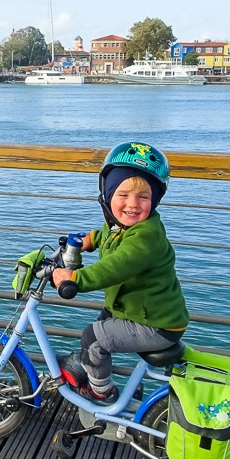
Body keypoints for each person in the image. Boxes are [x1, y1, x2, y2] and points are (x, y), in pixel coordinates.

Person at [53, 141, 188, 402]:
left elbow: (116, 267)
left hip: (157, 325)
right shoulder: (124, 227)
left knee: (92, 337)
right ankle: (122, 384)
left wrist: (75, 278)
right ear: (108, 195)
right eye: (123, 195)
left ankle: (101, 392)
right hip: (141, 312)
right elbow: (111, 234)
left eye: (143, 197)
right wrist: (91, 239)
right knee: (103, 322)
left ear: (155, 200)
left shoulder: (146, 237)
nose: (133, 204)